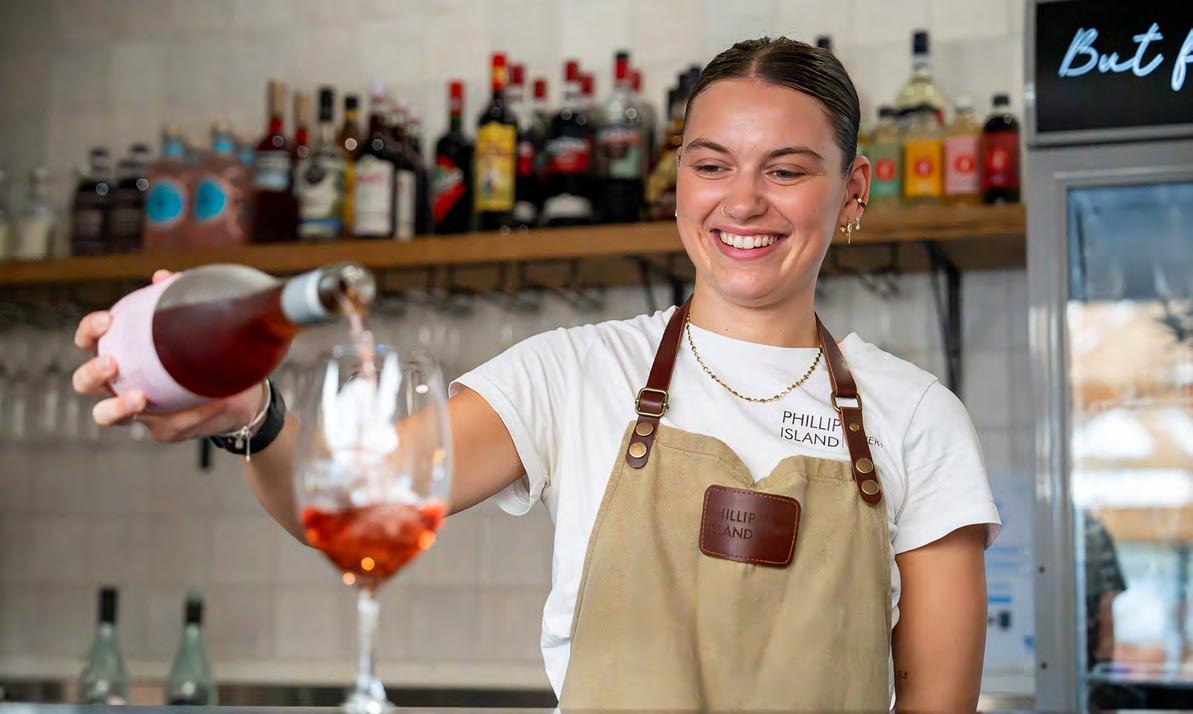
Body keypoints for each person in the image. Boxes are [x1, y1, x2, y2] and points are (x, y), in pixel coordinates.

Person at [73, 37, 1000, 712]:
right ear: (679, 180)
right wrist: (254, 416)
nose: (742, 201)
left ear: (853, 188)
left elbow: (934, 701)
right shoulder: (573, 372)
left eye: (786, 171)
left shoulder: (916, 417)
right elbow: (353, 509)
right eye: (712, 164)